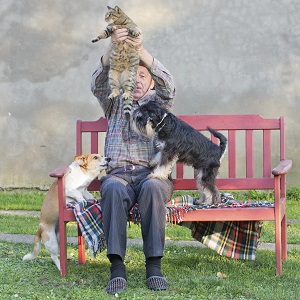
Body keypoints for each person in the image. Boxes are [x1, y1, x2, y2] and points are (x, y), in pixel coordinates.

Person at [91, 27, 176, 294]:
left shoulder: (159, 104)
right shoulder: (115, 103)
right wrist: (112, 49)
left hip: (151, 175)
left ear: (150, 83)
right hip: (118, 174)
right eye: (132, 75)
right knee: (113, 188)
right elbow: (98, 83)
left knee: (152, 188)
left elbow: (168, 84)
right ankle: (117, 268)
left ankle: (154, 267)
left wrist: (139, 50)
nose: (137, 80)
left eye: (143, 76)